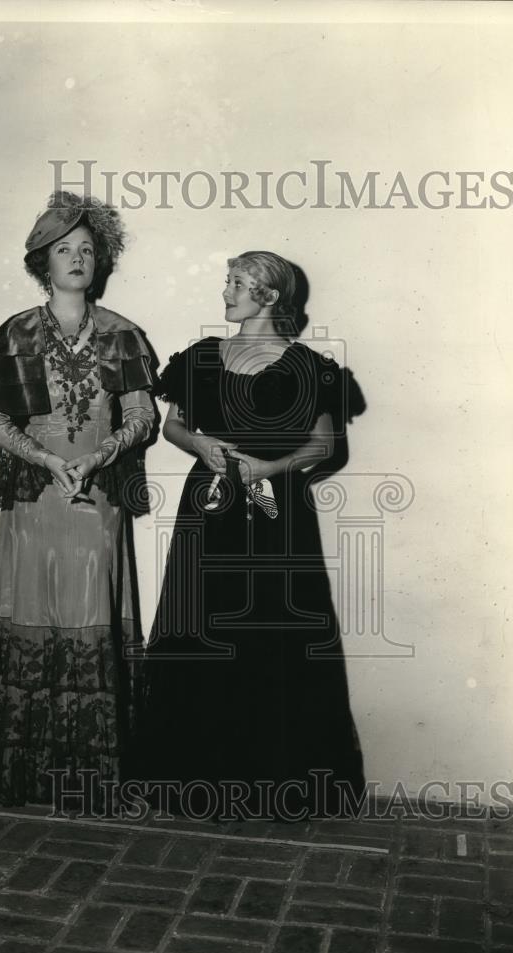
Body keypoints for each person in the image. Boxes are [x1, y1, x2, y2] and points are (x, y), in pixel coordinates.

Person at [131, 250, 366, 822]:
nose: (226, 293)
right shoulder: (202, 357)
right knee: (199, 624)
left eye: (238, 284)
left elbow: (323, 446)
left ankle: (269, 785)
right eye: (227, 282)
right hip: (208, 505)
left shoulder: (309, 366)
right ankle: (189, 780)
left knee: (269, 631)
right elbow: (174, 425)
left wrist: (266, 469)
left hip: (273, 512)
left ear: (268, 296)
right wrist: (202, 445)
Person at [0, 191, 156, 809]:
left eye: (87, 249)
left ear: (102, 261)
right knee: (36, 610)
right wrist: (47, 460)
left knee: (91, 606)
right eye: (63, 249)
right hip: (36, 493)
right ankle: (28, 772)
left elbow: (143, 416)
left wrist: (97, 458)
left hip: (97, 493)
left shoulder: (124, 335)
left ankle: (93, 776)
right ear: (42, 261)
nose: (76, 258)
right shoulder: (16, 333)